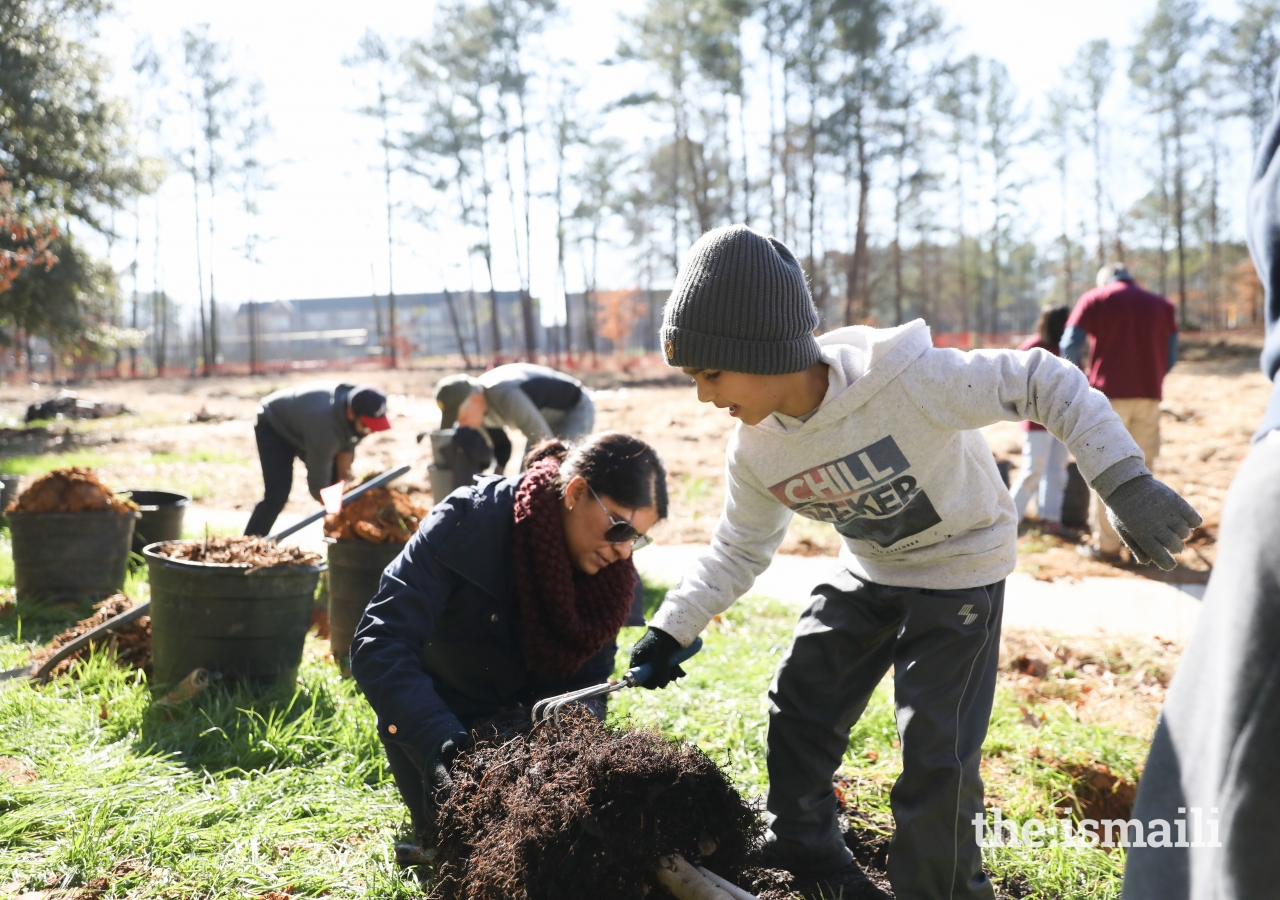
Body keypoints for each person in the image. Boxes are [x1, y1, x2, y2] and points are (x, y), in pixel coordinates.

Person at [628, 225, 1201, 900]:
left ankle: (946, 889)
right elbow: (738, 547)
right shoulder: (754, 449)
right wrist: (672, 629)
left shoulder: (911, 381)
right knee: (800, 699)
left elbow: (1044, 378)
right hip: (869, 569)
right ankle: (807, 848)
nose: (702, 395)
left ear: (762, 348)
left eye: (710, 373)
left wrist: (1124, 481)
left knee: (936, 756)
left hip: (961, 573)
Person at [350, 431, 669, 861]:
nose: (624, 550)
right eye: (620, 527)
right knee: (478, 857)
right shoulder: (468, 520)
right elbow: (380, 640)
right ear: (576, 492)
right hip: (445, 728)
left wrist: (569, 748)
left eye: (638, 538)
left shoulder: (611, 582)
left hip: (537, 735)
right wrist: (438, 742)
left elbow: (590, 679)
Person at [1120, 81, 1280, 900]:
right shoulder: (1157, 301)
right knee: (1141, 464)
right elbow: (1176, 339)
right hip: (1149, 386)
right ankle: (1146, 541)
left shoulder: (1097, 299)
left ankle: (1125, 545)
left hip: (1107, 384)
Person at [1061, 266, 1179, 561]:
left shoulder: (1096, 299)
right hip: (1148, 396)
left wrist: (1080, 379)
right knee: (1142, 472)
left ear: (1105, 281)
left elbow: (1069, 343)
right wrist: (1151, 376)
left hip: (1107, 398)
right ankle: (1144, 548)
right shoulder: (1161, 305)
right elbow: (1172, 354)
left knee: (1106, 469)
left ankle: (1108, 547)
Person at [244, 382, 390, 537]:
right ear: (350, 414)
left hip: (306, 424)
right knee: (277, 494)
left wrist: (345, 485)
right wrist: (344, 513)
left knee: (337, 486)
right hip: (274, 422)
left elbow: (347, 451)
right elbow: (318, 487)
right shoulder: (325, 430)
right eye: (368, 425)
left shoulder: (358, 406)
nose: (372, 431)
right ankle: (249, 543)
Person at [434, 363, 594, 471]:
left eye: (461, 418)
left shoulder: (505, 395)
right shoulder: (478, 412)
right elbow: (502, 446)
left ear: (474, 400)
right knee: (523, 476)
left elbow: (546, 445)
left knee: (560, 466)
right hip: (541, 420)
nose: (461, 425)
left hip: (574, 409)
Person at [1008, 305, 1072, 533]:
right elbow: (1013, 379)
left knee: (1056, 470)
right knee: (1033, 470)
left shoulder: (1066, 348)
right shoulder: (1033, 348)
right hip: (1037, 423)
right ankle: (1008, 521)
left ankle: (1051, 519)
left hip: (1061, 421)